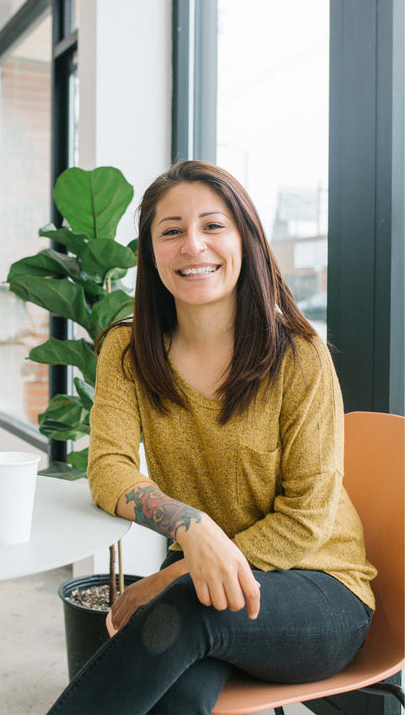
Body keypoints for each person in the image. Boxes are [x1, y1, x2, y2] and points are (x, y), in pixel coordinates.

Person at [47, 161, 375, 715]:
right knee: (175, 693)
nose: (192, 245)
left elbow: (307, 519)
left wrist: (171, 573)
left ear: (245, 239)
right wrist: (190, 528)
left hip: (322, 591)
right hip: (203, 590)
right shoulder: (126, 352)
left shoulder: (298, 357)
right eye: (171, 231)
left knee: (182, 612)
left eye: (212, 226)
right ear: (150, 254)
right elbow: (109, 467)